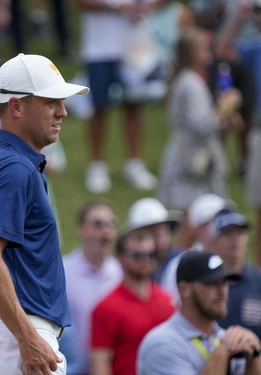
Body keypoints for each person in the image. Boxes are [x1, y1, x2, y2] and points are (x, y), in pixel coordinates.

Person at [0, 53, 89, 375]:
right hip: (17, 344)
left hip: (9, 340)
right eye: (50, 102)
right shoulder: (14, 168)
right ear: (15, 107)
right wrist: (27, 337)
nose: (62, 111)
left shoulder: (6, 163)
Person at [138, 250, 261, 375]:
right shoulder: (160, 342)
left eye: (225, 282)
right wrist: (221, 353)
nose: (222, 291)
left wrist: (255, 356)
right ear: (185, 289)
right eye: (212, 283)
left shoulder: (225, 338)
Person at [75, 0, 160, 193]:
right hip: (98, 49)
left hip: (135, 47)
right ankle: (97, 165)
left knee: (134, 106)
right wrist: (116, 8)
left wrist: (147, 8)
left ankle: (134, 163)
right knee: (98, 107)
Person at [158, 28, 240, 214]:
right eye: (204, 48)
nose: (208, 51)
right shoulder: (190, 83)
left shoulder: (188, 80)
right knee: (194, 222)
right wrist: (226, 106)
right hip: (192, 163)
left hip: (192, 159)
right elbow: (202, 125)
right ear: (194, 53)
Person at [90, 229, 174, 375]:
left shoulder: (168, 302)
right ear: (120, 257)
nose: (145, 260)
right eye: (137, 255)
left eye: (151, 254)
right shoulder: (106, 308)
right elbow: (100, 364)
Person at [60, 200, 123, 375]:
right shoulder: (63, 271)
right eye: (98, 224)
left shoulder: (121, 273)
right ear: (81, 230)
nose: (106, 230)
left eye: (111, 224)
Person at [206, 210, 261, 339]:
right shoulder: (204, 281)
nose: (235, 239)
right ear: (214, 240)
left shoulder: (258, 280)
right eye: (228, 233)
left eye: (240, 233)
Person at [126, 197, 180, 283]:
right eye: (151, 229)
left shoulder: (182, 261)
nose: (160, 232)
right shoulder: (129, 268)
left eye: (162, 227)